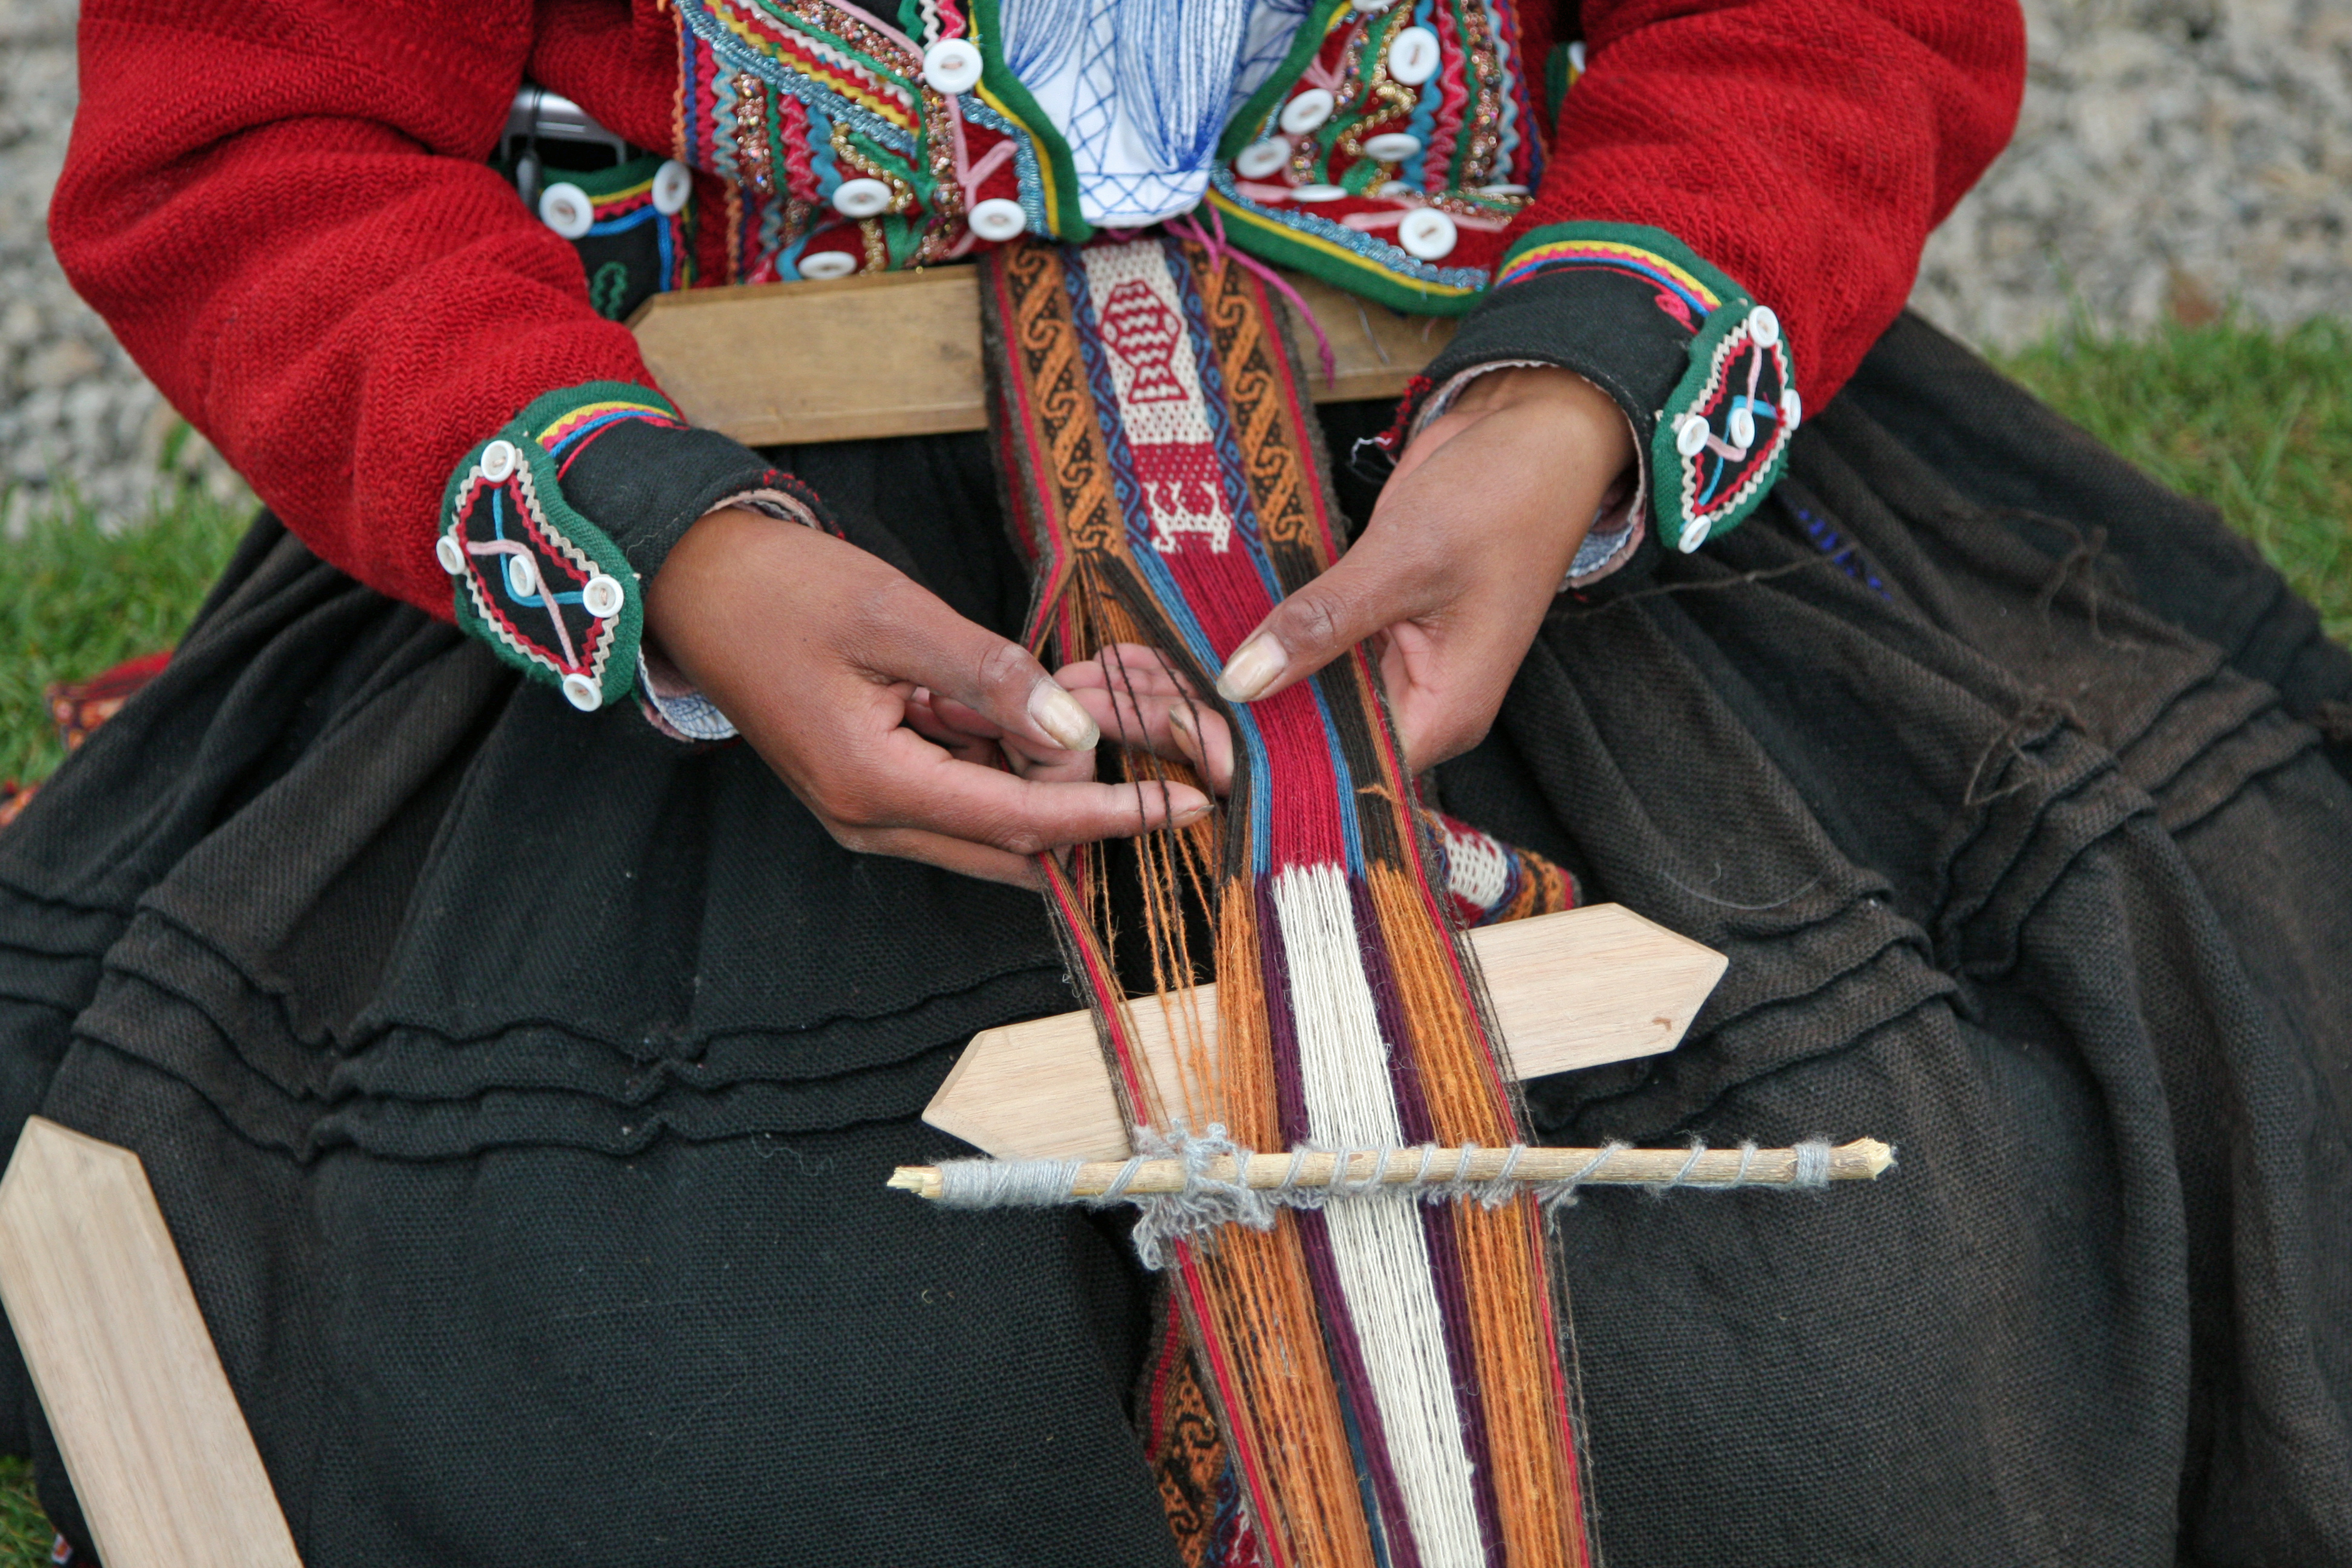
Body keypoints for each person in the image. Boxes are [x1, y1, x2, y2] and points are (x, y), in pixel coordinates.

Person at [7, 0, 2347, 1561]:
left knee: (1858, 1374)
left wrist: (1573, 406)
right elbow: (254, 138)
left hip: (1502, 461)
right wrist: (679, 552)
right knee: (727, 1430)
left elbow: (1831, 27)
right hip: (746, 509)